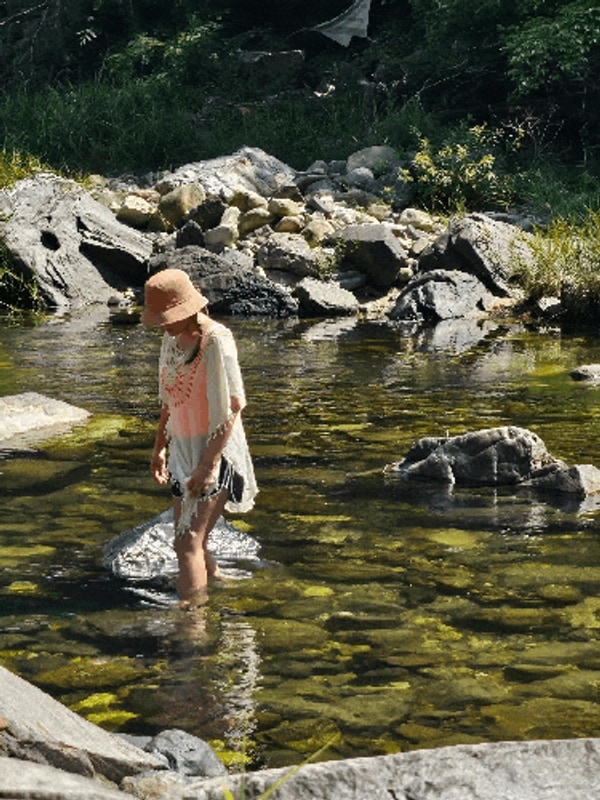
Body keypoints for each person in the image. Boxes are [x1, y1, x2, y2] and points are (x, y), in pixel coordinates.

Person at [141, 268, 258, 609]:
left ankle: (192, 620)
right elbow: (169, 400)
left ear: (189, 308)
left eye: (169, 317)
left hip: (215, 452)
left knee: (187, 541)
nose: (164, 325)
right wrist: (159, 448)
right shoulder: (171, 339)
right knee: (193, 538)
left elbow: (234, 405)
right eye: (160, 319)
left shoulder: (216, 341)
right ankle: (216, 584)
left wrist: (209, 465)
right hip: (182, 450)